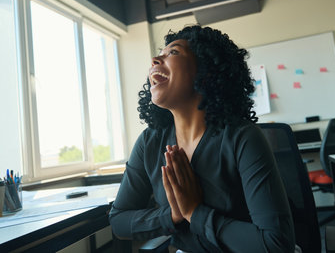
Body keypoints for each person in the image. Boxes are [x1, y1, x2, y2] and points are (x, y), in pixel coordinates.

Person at [109, 25, 295, 252]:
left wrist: (194, 213)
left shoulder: (242, 138)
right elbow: (118, 221)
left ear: (206, 71)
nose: (155, 60)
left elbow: (277, 246)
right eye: (160, 53)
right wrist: (173, 215)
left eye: (173, 52)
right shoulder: (149, 142)